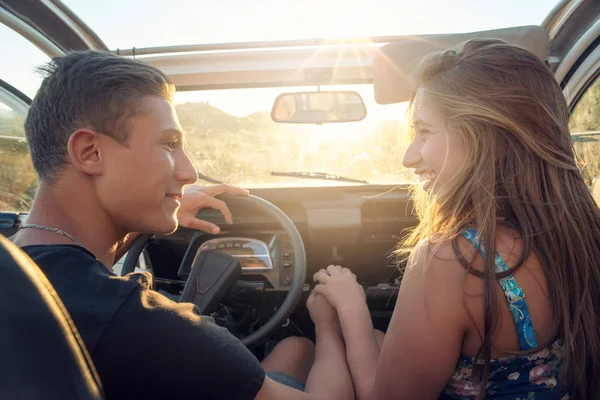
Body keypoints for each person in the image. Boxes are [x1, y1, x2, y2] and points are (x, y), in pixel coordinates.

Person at [9, 50, 354, 400]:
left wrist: (150, 214)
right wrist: (331, 325)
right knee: (302, 345)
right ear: (89, 152)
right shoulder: (144, 328)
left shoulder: (18, 264)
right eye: (169, 145)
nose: (188, 173)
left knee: (292, 351)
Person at [312, 39, 600, 399]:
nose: (408, 157)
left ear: (482, 136)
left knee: (291, 353)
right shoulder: (578, 231)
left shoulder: (455, 260)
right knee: (368, 341)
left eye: (425, 131)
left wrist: (345, 310)